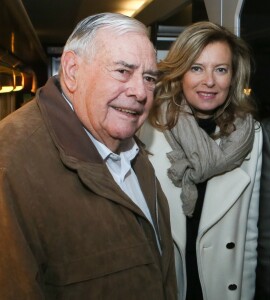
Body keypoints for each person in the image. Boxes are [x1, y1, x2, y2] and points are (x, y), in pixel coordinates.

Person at [0, 13, 177, 299]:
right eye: (122, 71)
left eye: (148, 78)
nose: (140, 92)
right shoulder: (11, 162)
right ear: (71, 71)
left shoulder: (133, 149)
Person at [138, 21, 263, 300]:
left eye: (220, 69)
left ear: (233, 76)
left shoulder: (250, 134)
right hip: (168, 280)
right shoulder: (148, 128)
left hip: (221, 283)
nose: (209, 81)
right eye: (197, 68)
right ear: (180, 72)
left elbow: (248, 236)